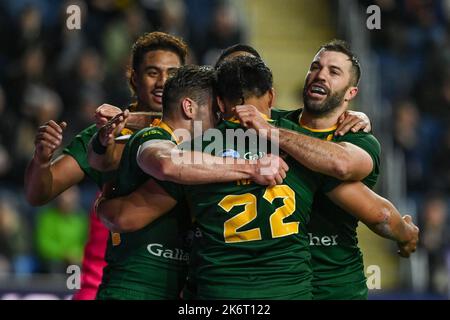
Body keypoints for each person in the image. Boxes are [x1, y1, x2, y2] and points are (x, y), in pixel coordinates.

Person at [95, 56, 418, 299]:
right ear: (272, 98)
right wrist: (406, 234)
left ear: (220, 103)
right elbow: (379, 215)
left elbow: (127, 216)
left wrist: (104, 205)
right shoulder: (304, 149)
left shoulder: (195, 153)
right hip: (288, 292)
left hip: (221, 294)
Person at [231, 40, 416, 299]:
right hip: (276, 284)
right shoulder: (274, 123)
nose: (320, 75)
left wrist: (270, 133)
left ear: (351, 93)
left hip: (335, 286)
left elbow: (341, 165)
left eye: (334, 72)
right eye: (315, 67)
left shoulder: (360, 140)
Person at [91, 64, 286, 299]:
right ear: (189, 107)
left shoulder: (194, 155)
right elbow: (161, 169)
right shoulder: (154, 138)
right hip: (136, 287)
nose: (220, 121)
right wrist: (251, 168)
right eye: (215, 111)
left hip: (166, 288)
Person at [24, 31, 188, 300]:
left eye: (172, 73)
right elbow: (37, 193)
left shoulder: (202, 136)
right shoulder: (106, 134)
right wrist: (42, 159)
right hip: (123, 287)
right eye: (152, 72)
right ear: (134, 78)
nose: (163, 82)